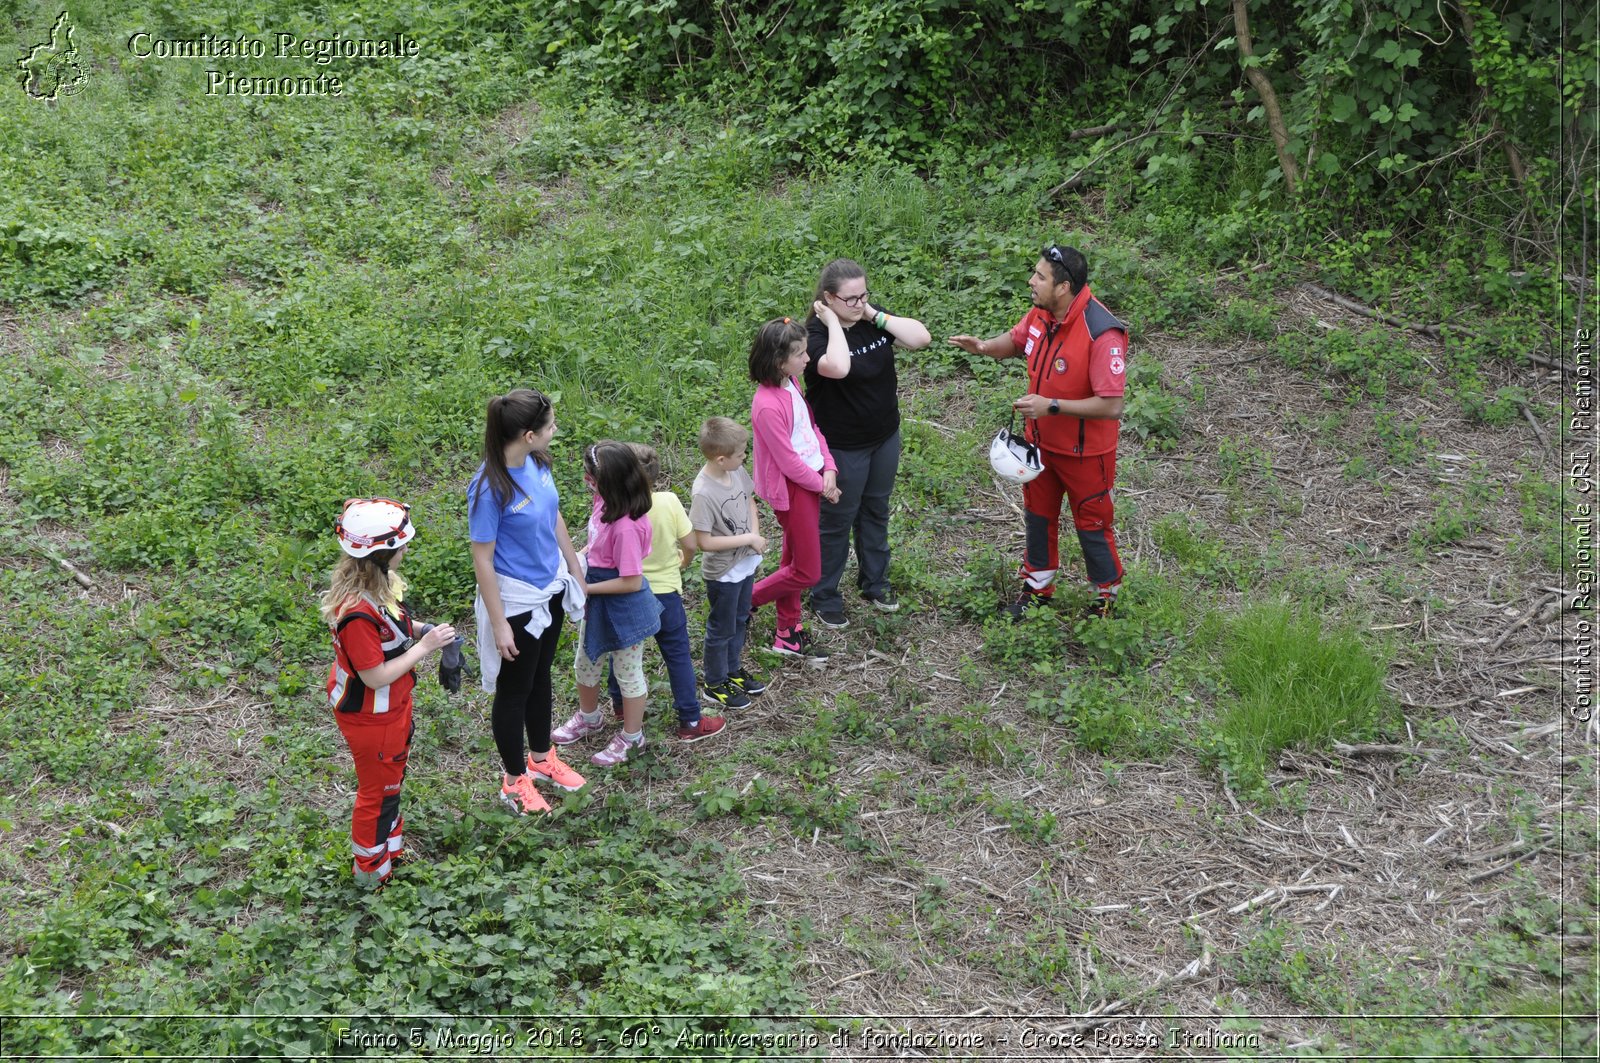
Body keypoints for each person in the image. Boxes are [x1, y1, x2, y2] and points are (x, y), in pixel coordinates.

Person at [949, 244, 1129, 619]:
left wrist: (1053, 406)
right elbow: (1016, 342)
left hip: (1086, 455)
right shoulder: (1041, 315)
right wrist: (983, 347)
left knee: (1093, 524)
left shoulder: (1101, 332)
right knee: (1038, 518)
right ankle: (1037, 590)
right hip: (1040, 447)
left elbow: (1111, 406)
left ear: (1063, 287)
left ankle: (1107, 598)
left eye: (1040, 276)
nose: (1031, 281)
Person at [323, 497, 457, 889]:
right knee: (377, 793)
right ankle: (370, 874)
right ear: (382, 555)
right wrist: (425, 647)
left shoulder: (373, 589)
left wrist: (421, 630)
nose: (406, 551)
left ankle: (388, 851)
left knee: (389, 785)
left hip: (389, 712)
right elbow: (375, 676)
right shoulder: (357, 615)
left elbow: (394, 627)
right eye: (401, 546)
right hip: (372, 715)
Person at [469, 389, 589, 816]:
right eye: (551, 425)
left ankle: (542, 759)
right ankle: (514, 779)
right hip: (517, 601)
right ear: (528, 434)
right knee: (514, 689)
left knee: (540, 677)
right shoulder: (489, 487)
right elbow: (482, 557)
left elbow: (554, 516)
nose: (555, 430)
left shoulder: (538, 464)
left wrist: (575, 570)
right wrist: (500, 622)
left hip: (550, 590)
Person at [804, 258, 932, 628]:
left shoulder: (871, 319)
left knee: (876, 510)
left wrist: (872, 313)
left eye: (864, 295)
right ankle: (824, 593)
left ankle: (875, 582)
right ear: (828, 298)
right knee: (837, 520)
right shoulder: (813, 336)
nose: (859, 304)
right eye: (851, 299)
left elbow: (920, 339)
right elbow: (838, 368)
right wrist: (832, 323)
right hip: (842, 446)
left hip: (883, 437)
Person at [604, 443, 727, 742]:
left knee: (621, 650)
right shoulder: (669, 501)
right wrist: (682, 564)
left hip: (628, 592)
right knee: (677, 656)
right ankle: (690, 719)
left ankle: (620, 704)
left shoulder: (616, 507)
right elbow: (690, 544)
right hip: (665, 594)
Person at [551, 441, 663, 766]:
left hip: (623, 606)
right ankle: (590, 717)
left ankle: (632, 737)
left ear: (608, 482)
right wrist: (580, 559)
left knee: (628, 673)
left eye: (590, 476)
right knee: (585, 662)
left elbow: (632, 580)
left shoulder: (626, 527)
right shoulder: (604, 501)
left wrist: (585, 587)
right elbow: (595, 543)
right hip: (597, 598)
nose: (586, 480)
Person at [748, 317, 839, 663]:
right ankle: (746, 600)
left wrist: (828, 465)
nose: (808, 359)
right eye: (800, 354)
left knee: (793, 559)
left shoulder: (792, 383)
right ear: (777, 360)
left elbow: (812, 429)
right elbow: (787, 461)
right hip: (794, 489)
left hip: (811, 478)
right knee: (807, 571)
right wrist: (823, 486)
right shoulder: (767, 405)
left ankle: (787, 632)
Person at [690, 416, 770, 709]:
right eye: (741, 454)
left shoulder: (735, 471)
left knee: (740, 619)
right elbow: (704, 542)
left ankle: (732, 670)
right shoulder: (703, 493)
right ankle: (714, 682)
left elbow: (749, 500)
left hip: (745, 563)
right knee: (721, 628)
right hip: (723, 573)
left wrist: (755, 535)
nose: (745, 457)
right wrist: (747, 538)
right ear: (721, 459)